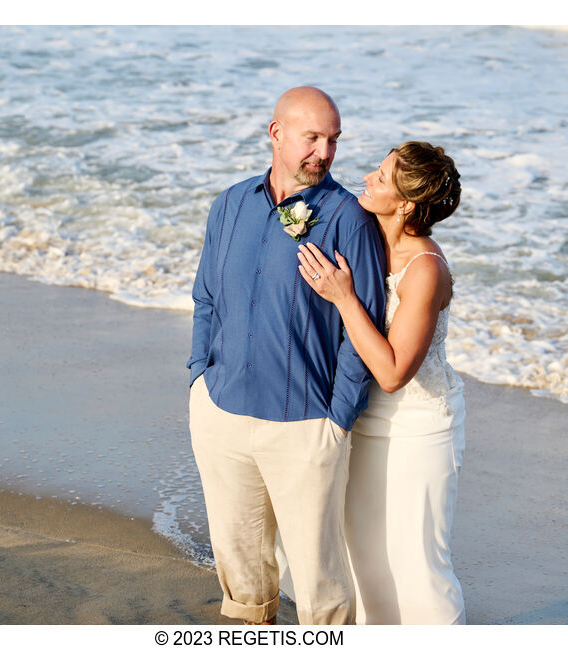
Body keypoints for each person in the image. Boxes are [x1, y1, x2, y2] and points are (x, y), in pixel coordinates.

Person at [186, 86, 387, 625]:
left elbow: (363, 325)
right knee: (240, 571)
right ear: (276, 135)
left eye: (334, 140)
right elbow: (206, 297)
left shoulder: (348, 218)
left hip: (305, 425)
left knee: (320, 584)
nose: (324, 152)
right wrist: (198, 379)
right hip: (221, 410)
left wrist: (338, 417)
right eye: (312, 137)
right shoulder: (229, 205)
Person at [294, 141, 467, 624]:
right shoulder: (363, 233)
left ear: (407, 204)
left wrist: (344, 298)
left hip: (418, 429)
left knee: (416, 566)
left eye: (382, 176)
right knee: (360, 557)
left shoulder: (425, 269)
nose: (368, 177)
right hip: (360, 417)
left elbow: (393, 373)